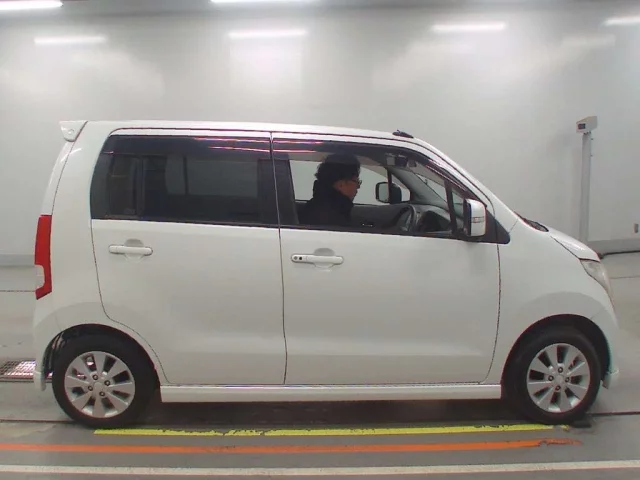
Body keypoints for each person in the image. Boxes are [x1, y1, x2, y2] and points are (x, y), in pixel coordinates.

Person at [299, 153, 361, 227]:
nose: (358, 186)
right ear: (340, 184)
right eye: (356, 182)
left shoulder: (319, 206)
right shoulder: (330, 216)